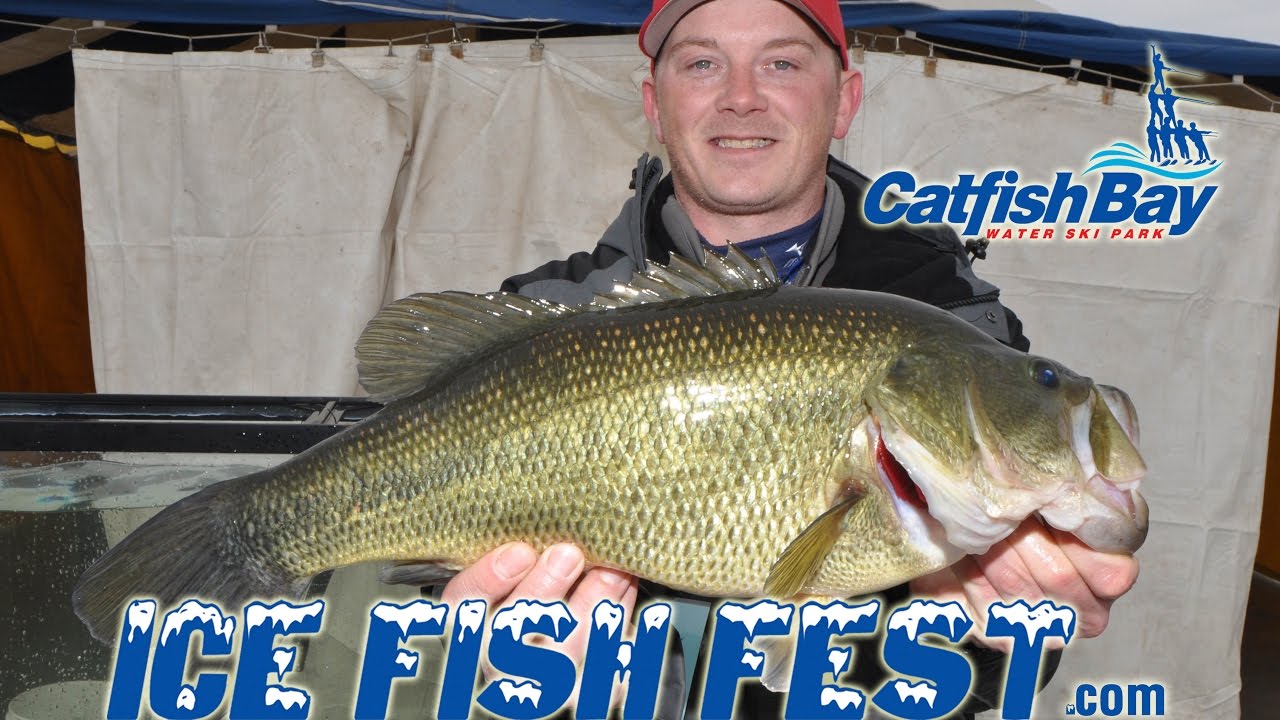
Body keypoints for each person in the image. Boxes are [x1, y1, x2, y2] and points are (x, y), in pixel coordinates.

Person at [441, 0, 1140, 715]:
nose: (741, 96)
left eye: (781, 62)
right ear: (655, 104)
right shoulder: (547, 316)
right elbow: (418, 626)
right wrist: (482, 659)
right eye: (703, 63)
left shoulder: (955, 327)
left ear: (845, 100)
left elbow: (999, 663)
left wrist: (988, 637)